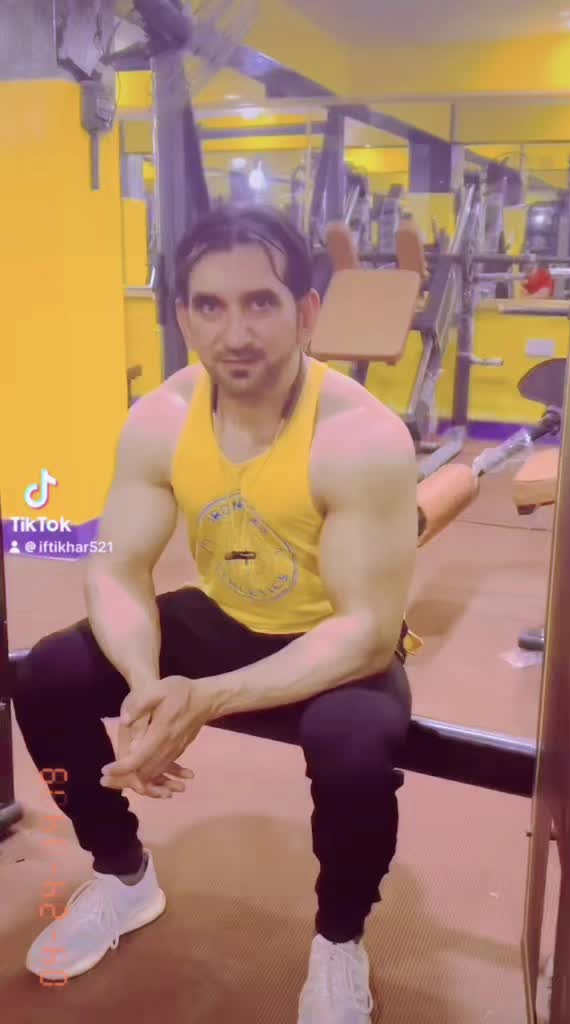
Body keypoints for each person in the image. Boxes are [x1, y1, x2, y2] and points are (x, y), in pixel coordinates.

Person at [13, 205, 418, 1023]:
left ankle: (339, 941)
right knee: (49, 672)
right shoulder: (161, 418)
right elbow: (117, 566)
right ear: (183, 315)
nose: (235, 333)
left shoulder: (361, 438)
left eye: (261, 302)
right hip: (224, 616)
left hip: (332, 639)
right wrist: (145, 686)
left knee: (354, 747)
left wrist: (205, 699)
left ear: (307, 311)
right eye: (210, 305)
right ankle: (123, 876)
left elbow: (368, 631)